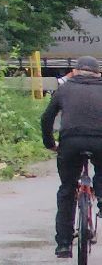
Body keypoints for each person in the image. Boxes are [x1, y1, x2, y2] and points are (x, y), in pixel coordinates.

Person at [44, 56, 102, 257]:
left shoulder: (65, 89)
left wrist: (50, 143)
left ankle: (64, 244)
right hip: (100, 141)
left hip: (70, 142)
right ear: (98, 73)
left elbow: (47, 118)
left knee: (67, 189)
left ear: (75, 72)